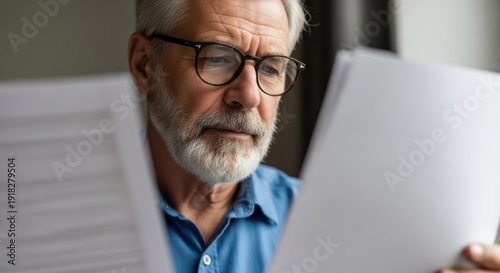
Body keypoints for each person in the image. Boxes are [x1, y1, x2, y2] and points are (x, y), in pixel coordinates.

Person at [127, 0, 500, 272]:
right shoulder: (75, 222)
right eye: (218, 57)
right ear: (145, 66)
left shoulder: (337, 228)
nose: (250, 96)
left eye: (271, 68)